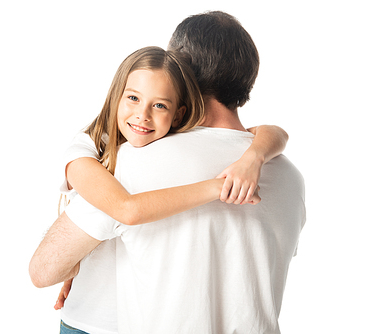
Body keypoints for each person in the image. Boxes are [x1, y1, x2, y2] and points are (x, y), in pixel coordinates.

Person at [31, 12, 300, 333]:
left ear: (179, 72)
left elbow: (44, 270)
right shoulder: (289, 176)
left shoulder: (137, 159)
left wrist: (75, 262)